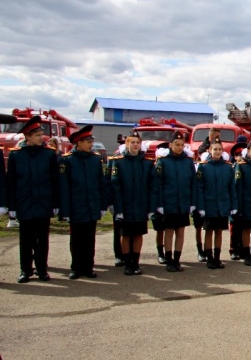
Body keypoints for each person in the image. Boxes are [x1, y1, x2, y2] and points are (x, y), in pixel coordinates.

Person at [6, 116, 60, 282]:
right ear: (27, 136)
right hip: (25, 203)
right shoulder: (16, 156)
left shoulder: (49, 155)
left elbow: (55, 180)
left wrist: (55, 203)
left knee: (42, 239)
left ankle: (42, 269)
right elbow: (11, 182)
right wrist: (12, 206)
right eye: (37, 135)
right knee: (26, 239)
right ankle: (26, 270)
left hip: (43, 202)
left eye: (41, 134)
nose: (41, 137)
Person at [59, 125, 110, 280]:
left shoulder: (95, 160)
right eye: (88, 141)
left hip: (92, 205)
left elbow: (101, 183)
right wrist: (65, 210)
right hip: (76, 206)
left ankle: (88, 267)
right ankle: (76, 268)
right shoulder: (67, 160)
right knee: (76, 239)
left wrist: (102, 205)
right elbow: (64, 187)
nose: (91, 144)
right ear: (78, 143)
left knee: (89, 239)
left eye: (91, 141)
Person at [109, 133, 157, 275]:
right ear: (127, 144)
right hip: (125, 205)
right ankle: (127, 263)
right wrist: (117, 207)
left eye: (137, 142)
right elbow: (115, 185)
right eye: (132, 142)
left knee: (137, 234)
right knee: (125, 235)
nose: (135, 145)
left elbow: (152, 186)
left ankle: (135, 263)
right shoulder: (119, 162)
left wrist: (151, 207)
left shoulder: (147, 163)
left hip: (141, 205)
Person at [155, 132, 196, 272]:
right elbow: (158, 184)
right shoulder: (163, 161)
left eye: (182, 145)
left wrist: (192, 203)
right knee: (169, 232)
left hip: (183, 203)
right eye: (177, 145)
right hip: (169, 203)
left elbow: (192, 184)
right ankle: (169, 260)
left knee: (180, 232)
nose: (179, 147)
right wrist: (159, 204)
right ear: (170, 145)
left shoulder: (188, 162)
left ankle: (177, 260)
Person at [197, 140, 237, 269]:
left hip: (222, 205)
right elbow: (200, 188)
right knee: (209, 232)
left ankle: (217, 258)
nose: (218, 152)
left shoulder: (227, 167)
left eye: (220, 149)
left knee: (219, 232)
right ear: (210, 150)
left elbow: (231, 188)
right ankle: (209, 258)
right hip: (209, 206)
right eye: (215, 149)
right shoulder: (203, 167)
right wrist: (201, 207)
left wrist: (233, 206)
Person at [226, 141, 247, 261]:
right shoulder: (231, 168)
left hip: (245, 201)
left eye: (241, 153)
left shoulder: (246, 167)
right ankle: (233, 249)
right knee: (234, 228)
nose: (239, 156)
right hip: (234, 201)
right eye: (237, 154)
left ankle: (243, 249)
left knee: (244, 227)